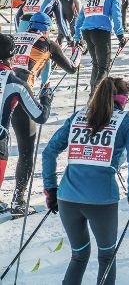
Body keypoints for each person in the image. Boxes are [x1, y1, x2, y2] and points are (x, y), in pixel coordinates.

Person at [42, 76, 129, 285]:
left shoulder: (77, 116)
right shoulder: (126, 121)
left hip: (67, 198)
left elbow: (49, 152)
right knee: (106, 257)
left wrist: (50, 190)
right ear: (123, 99)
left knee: (79, 255)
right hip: (102, 200)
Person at [7, 13, 78, 214]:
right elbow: (71, 68)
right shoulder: (46, 41)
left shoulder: (15, 36)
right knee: (26, 151)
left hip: (3, 88)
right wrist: (77, 52)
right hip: (22, 94)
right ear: (46, 28)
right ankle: (19, 200)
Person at [0, 34, 55, 213]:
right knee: (26, 151)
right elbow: (40, 116)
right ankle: (19, 201)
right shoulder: (15, 82)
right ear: (12, 57)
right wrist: (46, 98)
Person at [74, 0, 127, 90]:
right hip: (101, 32)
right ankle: (95, 96)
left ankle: (92, 93)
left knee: (96, 64)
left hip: (86, 32)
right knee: (103, 67)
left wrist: (77, 36)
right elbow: (117, 16)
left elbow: (80, 19)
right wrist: (120, 35)